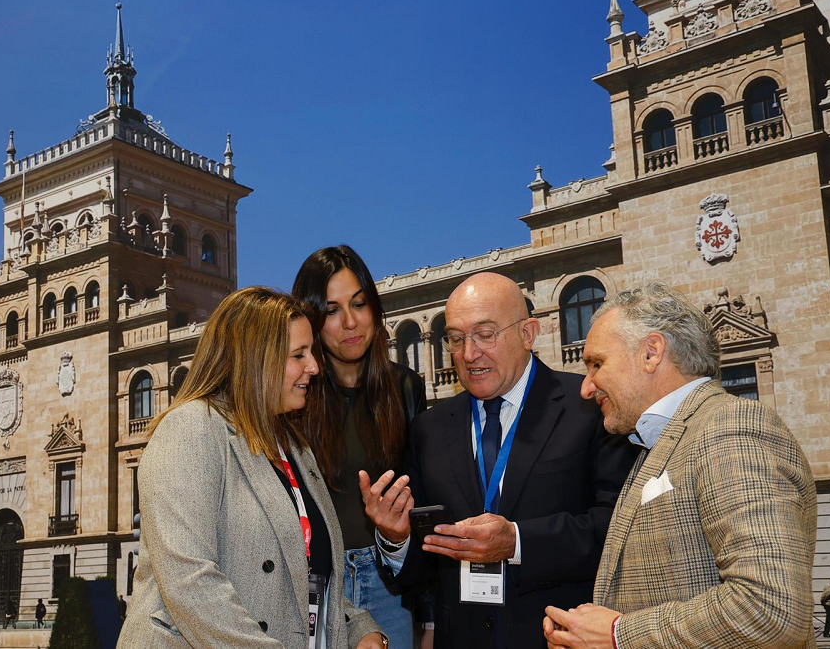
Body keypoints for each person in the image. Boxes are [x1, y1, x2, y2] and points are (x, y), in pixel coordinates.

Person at [363, 272, 636, 648]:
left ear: (528, 333)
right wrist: (397, 538)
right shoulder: (429, 428)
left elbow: (617, 529)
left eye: (485, 334)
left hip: (558, 637)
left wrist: (517, 542)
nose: (469, 354)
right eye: (456, 339)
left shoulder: (588, 408)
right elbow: (421, 568)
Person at [542, 282, 817, 649]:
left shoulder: (729, 427)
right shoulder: (656, 443)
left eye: (597, 363)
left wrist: (617, 635)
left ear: (651, 353)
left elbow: (770, 608)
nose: (586, 387)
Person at [120, 287, 387, 649]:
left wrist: (358, 629)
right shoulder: (190, 428)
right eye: (298, 355)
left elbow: (306, 573)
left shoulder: (297, 448)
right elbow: (190, 582)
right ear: (255, 359)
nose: (315, 367)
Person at [292, 245, 428, 649]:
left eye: (359, 304)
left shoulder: (405, 387)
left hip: (388, 582)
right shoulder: (294, 397)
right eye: (331, 310)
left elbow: (419, 505)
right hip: (314, 582)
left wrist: (431, 617)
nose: (350, 322)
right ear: (311, 319)